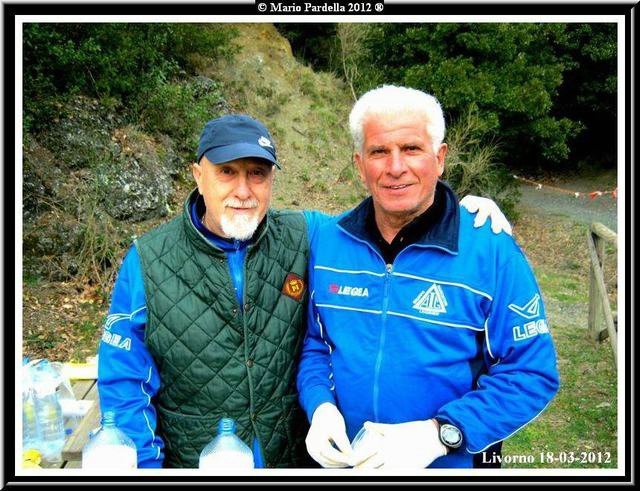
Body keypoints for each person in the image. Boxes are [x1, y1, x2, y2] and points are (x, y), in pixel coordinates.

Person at [97, 113, 511, 468]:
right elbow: (124, 383)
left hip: (295, 459)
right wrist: (144, 467)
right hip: (199, 461)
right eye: (227, 172)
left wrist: (453, 213)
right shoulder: (148, 259)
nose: (243, 191)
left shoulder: (305, 234)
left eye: (257, 173)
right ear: (197, 175)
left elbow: (382, 223)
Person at [296, 85, 560, 469]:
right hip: (348, 463)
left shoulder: (491, 251)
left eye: (412, 149)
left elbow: (530, 373)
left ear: (440, 158)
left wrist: (441, 434)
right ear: (359, 164)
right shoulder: (329, 242)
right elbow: (317, 344)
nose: (395, 167)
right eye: (379, 151)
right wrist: (320, 406)